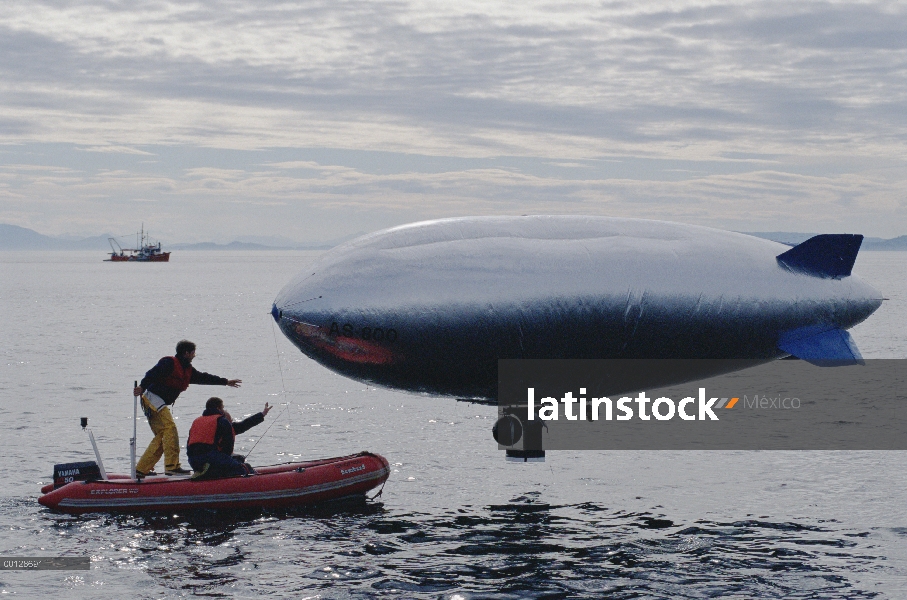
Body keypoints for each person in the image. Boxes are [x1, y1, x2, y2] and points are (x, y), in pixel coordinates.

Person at [133, 340, 241, 477]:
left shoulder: (188, 371)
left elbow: (204, 378)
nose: (194, 356)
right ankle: (172, 466)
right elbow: (151, 374)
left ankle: (141, 469)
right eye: (193, 353)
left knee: (162, 436)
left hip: (157, 402)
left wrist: (225, 382)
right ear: (186, 353)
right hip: (152, 399)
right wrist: (142, 387)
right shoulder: (169, 363)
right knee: (170, 429)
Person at [187, 397, 272, 478]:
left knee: (237, 459)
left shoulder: (197, 422)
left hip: (193, 462)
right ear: (219, 409)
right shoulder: (222, 421)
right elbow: (227, 447)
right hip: (210, 460)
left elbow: (242, 425)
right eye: (223, 408)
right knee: (244, 468)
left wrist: (262, 414)